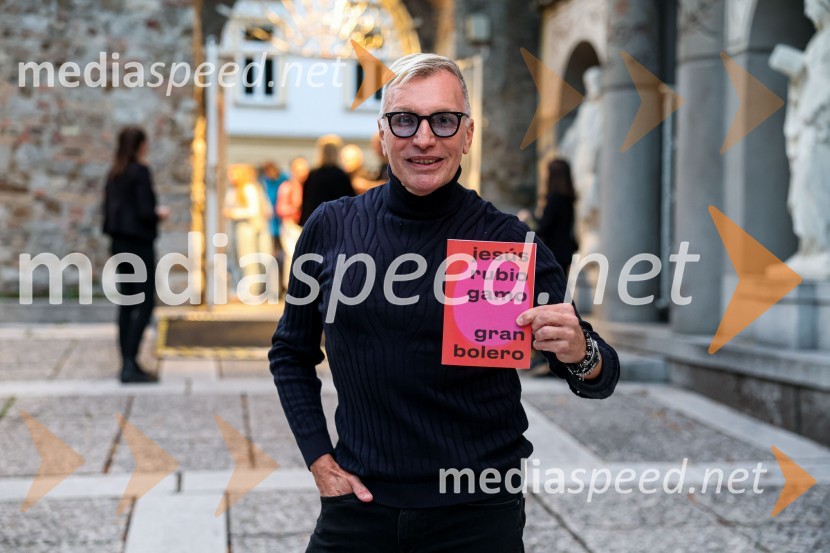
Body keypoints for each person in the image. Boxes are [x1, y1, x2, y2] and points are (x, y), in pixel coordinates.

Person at [269, 53, 619, 552]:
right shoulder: (332, 226)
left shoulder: (507, 244)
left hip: (477, 513)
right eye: (406, 120)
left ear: (468, 135)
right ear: (383, 133)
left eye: (444, 120)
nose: (424, 138)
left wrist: (579, 349)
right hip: (361, 507)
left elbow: (599, 378)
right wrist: (320, 460)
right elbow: (290, 354)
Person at [769, 0, 830, 279]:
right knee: (802, 189)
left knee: (816, 183)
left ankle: (821, 248)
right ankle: (810, 248)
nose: (807, 11)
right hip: (809, 123)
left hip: (820, 126)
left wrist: (816, 105)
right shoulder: (818, 43)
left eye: (811, 5)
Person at [103, 126, 169, 384]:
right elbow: (144, 211)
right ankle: (130, 363)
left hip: (119, 243)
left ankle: (127, 362)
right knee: (144, 302)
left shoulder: (114, 173)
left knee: (127, 301)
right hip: (138, 244)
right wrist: (158, 214)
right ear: (141, 145)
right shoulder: (139, 172)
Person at [223, 163, 275, 300]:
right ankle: (242, 288)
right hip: (237, 228)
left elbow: (254, 210)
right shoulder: (234, 190)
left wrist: (233, 213)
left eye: (232, 173)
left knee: (248, 259)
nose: (229, 177)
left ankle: (253, 290)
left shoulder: (249, 188)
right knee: (236, 258)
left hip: (247, 228)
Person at [299, 135, 355, 226]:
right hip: (336, 226)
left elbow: (306, 205)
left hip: (315, 225)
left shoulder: (313, 175)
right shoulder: (341, 176)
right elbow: (349, 204)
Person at [536, 158, 578, 275]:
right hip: (566, 252)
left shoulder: (554, 200)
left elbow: (544, 228)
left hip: (553, 252)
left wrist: (529, 220)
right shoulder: (568, 199)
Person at [276, 156, 309, 291]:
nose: (303, 173)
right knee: (292, 255)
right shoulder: (287, 187)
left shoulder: (308, 186)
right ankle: (291, 286)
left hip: (305, 224)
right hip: (291, 225)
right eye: (299, 169)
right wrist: (295, 209)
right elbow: (280, 208)